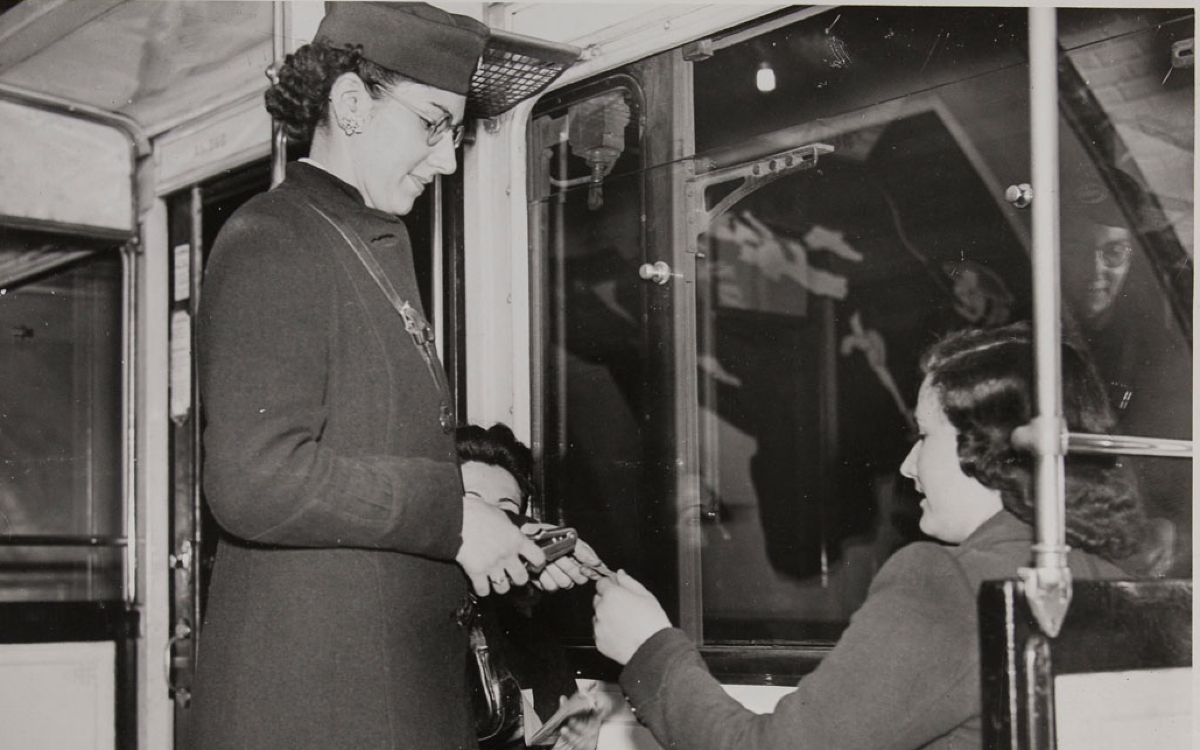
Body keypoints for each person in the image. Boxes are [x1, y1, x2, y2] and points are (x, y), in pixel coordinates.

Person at [192, 5, 578, 750]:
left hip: (378, 702)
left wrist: (506, 540)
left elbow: (369, 479)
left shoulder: (359, 244)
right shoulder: (273, 240)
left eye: (456, 134)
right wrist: (455, 519)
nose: (448, 160)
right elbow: (255, 479)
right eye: (434, 123)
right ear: (349, 105)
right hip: (321, 715)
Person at [592, 322, 1150, 750]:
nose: (909, 467)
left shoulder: (949, 584)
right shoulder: (1110, 580)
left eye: (925, 437)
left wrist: (650, 649)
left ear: (987, 450)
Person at [457, 423, 613, 750]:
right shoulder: (397, 627)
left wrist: (573, 743)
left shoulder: (534, 646)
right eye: (473, 504)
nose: (492, 525)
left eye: (505, 512)